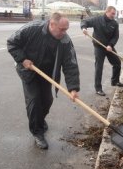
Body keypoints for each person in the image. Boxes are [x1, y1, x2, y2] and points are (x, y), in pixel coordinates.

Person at [7, 13, 80, 150]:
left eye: (66, 29)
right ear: (52, 24)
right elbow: (12, 42)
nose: (65, 32)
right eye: (62, 29)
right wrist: (23, 59)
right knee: (34, 101)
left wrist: (73, 88)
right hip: (28, 71)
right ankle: (37, 132)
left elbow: (71, 64)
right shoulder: (33, 29)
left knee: (47, 101)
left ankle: (39, 121)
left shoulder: (65, 40)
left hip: (46, 73)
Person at [81, 6, 123, 96]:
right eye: (112, 13)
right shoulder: (97, 19)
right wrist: (84, 28)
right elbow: (85, 21)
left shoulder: (115, 23)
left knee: (117, 63)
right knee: (99, 67)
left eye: (114, 13)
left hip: (109, 47)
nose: (114, 15)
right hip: (99, 47)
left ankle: (115, 81)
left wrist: (110, 45)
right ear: (107, 12)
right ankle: (98, 88)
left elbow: (115, 36)